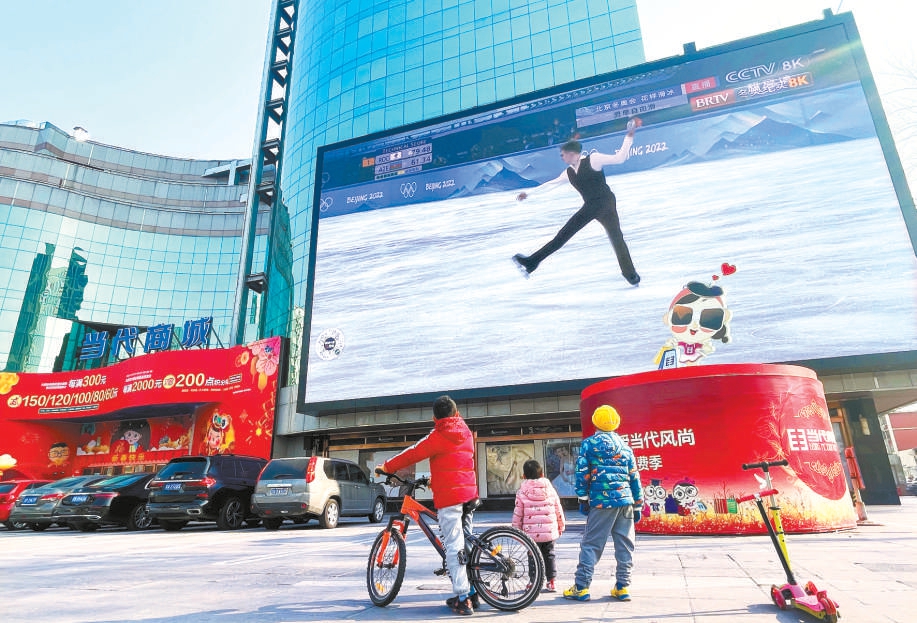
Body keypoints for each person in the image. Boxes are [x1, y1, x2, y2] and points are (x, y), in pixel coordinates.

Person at [377, 395, 479, 616]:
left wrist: (386, 467)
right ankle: (474, 591)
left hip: (451, 499)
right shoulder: (465, 431)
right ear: (457, 413)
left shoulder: (438, 435)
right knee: (466, 543)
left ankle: (463, 599)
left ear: (435, 418)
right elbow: (455, 461)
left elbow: (413, 452)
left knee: (454, 547)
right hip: (468, 494)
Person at [512, 117, 642, 285]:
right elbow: (551, 184)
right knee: (564, 236)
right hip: (591, 206)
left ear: (572, 153)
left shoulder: (593, 159)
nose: (561, 157)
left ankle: (631, 275)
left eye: (562, 154)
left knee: (615, 238)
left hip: (605, 203)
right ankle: (531, 262)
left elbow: (620, 158)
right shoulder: (569, 173)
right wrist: (529, 194)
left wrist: (629, 135)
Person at [564, 405, 644, 602]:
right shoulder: (625, 447)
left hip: (601, 502)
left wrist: (582, 498)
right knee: (625, 545)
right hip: (625, 501)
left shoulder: (589, 444)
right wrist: (638, 503)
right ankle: (622, 587)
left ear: (595, 422)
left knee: (591, 544)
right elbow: (634, 477)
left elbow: (582, 472)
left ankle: (581, 587)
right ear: (616, 423)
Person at [512, 459, 566, 592]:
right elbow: (558, 508)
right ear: (542, 475)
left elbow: (518, 513)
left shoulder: (521, 492)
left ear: (524, 476)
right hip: (548, 532)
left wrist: (516, 531)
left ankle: (534, 582)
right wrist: (561, 525)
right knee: (550, 555)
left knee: (532, 556)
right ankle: (551, 581)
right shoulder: (550, 489)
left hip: (530, 534)